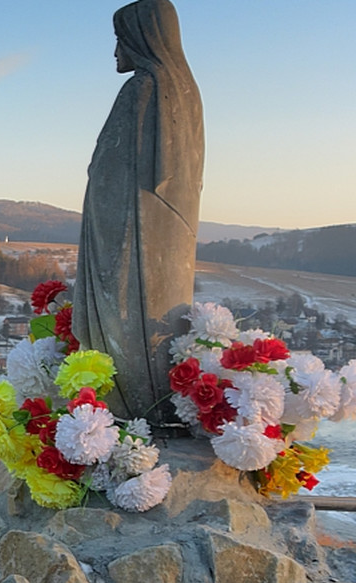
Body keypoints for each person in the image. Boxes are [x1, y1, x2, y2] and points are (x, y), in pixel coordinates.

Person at [72, 0, 204, 427]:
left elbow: (115, 172)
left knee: (125, 324)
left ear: (140, 39)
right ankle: (151, 407)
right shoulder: (181, 91)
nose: (115, 52)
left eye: (119, 41)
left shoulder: (145, 88)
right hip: (159, 234)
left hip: (130, 234)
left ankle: (132, 411)